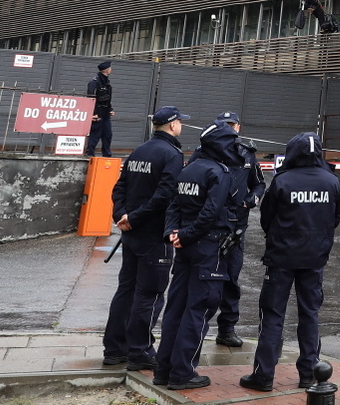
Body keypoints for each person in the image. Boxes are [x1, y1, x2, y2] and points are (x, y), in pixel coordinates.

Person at [239, 133, 340, 393]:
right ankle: (309, 372)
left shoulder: (283, 181)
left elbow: (267, 217)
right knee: (310, 314)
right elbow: (335, 218)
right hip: (314, 259)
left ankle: (264, 374)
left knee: (273, 315)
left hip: (281, 258)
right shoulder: (331, 181)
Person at [157, 122, 249, 391]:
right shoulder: (218, 172)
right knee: (198, 310)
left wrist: (173, 233)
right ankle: (183, 374)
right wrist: (184, 234)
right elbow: (210, 214)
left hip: (185, 248)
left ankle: (164, 370)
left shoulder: (189, 168)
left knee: (176, 308)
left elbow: (173, 205)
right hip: (208, 249)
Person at [102, 106, 189, 370]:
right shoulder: (172, 154)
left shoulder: (139, 151)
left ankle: (114, 349)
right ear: (172, 125)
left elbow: (119, 187)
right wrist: (134, 217)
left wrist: (123, 215)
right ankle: (139, 352)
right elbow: (165, 196)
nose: (181, 126)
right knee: (149, 295)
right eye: (180, 122)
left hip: (131, 234)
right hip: (154, 235)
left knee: (126, 291)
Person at [205, 112, 266, 348]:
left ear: (239, 127)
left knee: (231, 279)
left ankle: (227, 328)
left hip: (237, 227)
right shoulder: (207, 152)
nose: (229, 129)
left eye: (232, 125)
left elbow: (259, 183)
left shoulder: (247, 155)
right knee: (206, 279)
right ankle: (197, 327)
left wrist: (252, 199)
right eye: (225, 125)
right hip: (210, 226)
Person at [86, 61, 116, 156]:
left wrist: (110, 109)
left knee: (107, 135)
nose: (111, 69)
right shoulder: (94, 82)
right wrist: (93, 113)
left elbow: (108, 98)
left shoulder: (106, 82)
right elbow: (91, 98)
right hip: (97, 113)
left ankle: (107, 155)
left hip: (105, 114)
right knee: (95, 135)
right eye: (110, 68)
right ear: (106, 70)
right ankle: (90, 155)